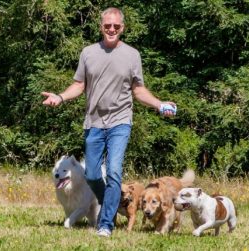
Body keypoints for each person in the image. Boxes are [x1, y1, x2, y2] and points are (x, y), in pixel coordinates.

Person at [41, 7, 176, 237]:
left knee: (113, 171)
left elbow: (139, 90)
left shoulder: (132, 55)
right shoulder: (88, 53)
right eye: (107, 26)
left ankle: (106, 224)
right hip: (93, 123)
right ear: (101, 27)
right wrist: (60, 97)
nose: (111, 29)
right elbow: (79, 85)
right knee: (92, 175)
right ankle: (111, 203)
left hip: (120, 122)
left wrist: (159, 104)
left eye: (116, 26)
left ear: (122, 27)